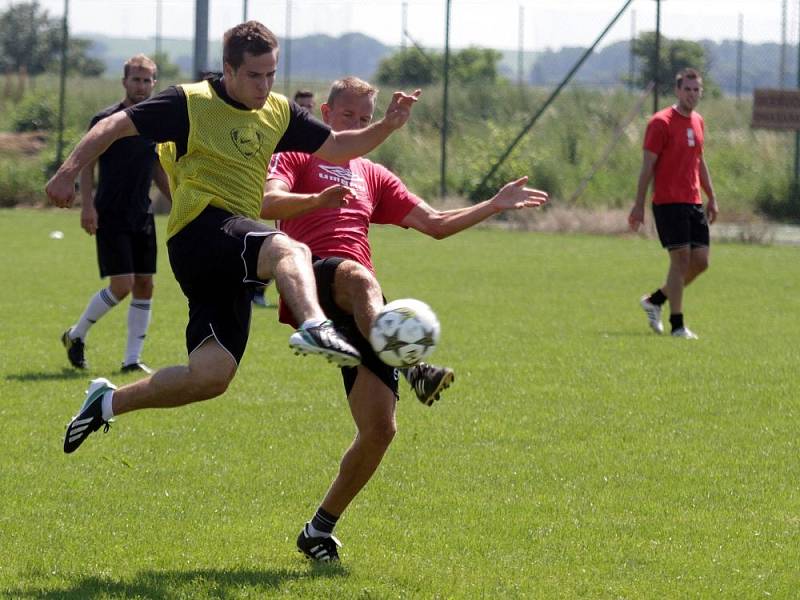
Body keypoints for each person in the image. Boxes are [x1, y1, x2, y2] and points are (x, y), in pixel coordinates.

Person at [45, 21, 420, 455]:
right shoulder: (187, 102)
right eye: (254, 75)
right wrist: (68, 171)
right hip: (200, 229)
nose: (264, 85)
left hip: (233, 250)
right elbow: (112, 126)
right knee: (288, 247)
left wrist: (388, 126)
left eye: (271, 75)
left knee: (210, 376)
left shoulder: (277, 111)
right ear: (228, 69)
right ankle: (316, 326)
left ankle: (106, 402)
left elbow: (337, 145)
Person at [263, 76, 549, 561]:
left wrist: (494, 205)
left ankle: (318, 530)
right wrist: (315, 202)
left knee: (380, 430)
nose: (357, 126)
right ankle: (414, 368)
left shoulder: (372, 174)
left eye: (364, 119)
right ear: (326, 116)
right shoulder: (295, 156)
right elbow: (268, 203)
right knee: (360, 277)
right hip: (311, 275)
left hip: (360, 305)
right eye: (348, 117)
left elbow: (434, 224)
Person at [61, 54, 170, 374]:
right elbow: (86, 163)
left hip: (142, 214)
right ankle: (76, 334)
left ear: (154, 83)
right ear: (124, 82)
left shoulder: (157, 123)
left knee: (145, 285)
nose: (141, 84)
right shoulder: (106, 119)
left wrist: (179, 202)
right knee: (121, 284)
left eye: (147, 79)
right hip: (110, 212)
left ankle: (132, 360)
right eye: (136, 79)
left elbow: (157, 168)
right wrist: (87, 205)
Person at [628, 68, 718, 340]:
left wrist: (711, 196)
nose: (692, 94)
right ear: (677, 91)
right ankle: (677, 325)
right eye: (687, 89)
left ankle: (655, 300)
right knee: (680, 260)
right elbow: (647, 168)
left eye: (696, 89)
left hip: (693, 202)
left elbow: (699, 162)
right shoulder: (660, 123)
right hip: (668, 203)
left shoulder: (699, 122)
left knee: (700, 262)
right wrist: (638, 205)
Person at [252, 89, 315, 309]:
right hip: (274, 195)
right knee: (281, 242)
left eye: (310, 106)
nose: (307, 110)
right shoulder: (279, 131)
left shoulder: (315, 136)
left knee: (290, 244)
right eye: (302, 106)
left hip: (304, 198)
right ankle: (256, 290)